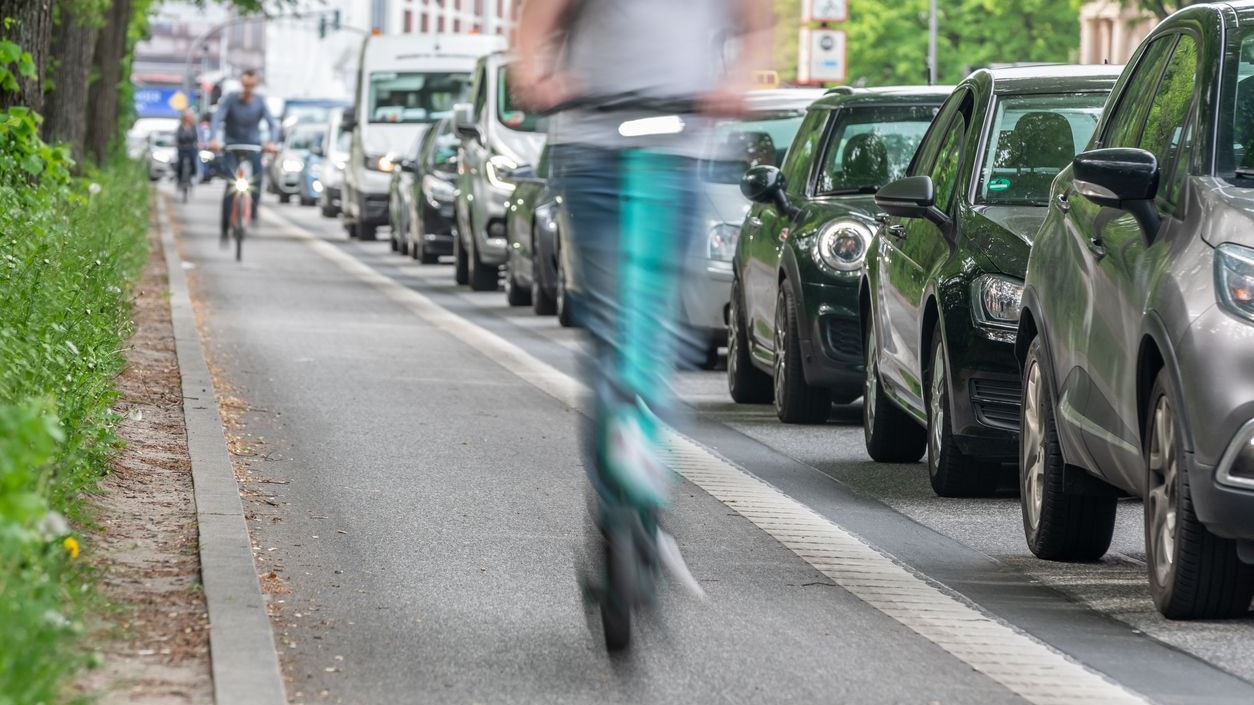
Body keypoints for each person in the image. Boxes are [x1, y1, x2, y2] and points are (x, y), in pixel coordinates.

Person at [512, 0, 772, 650]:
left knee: (653, 334)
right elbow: (539, 17)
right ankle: (612, 507)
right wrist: (535, 74)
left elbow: (757, 24)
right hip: (593, 147)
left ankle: (648, 499)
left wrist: (738, 81)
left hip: (680, 150)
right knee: (610, 332)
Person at [209, 69, 277, 239]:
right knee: (230, 184)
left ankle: (253, 211)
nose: (248, 88)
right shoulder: (231, 98)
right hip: (232, 145)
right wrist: (213, 139)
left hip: (253, 145)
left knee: (257, 177)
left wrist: (272, 142)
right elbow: (217, 118)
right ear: (241, 84)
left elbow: (272, 124)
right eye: (246, 85)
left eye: (251, 85)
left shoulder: (260, 102)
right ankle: (225, 225)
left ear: (255, 85)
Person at [175, 110, 200, 188]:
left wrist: (197, 144)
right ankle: (179, 179)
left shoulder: (193, 127)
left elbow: (196, 138)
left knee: (193, 161)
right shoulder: (180, 127)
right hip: (182, 148)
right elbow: (177, 137)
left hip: (191, 148)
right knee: (180, 163)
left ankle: (193, 176)